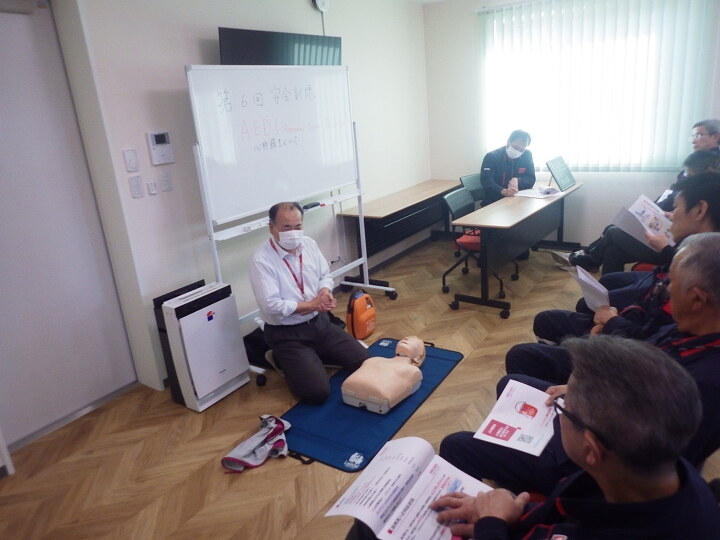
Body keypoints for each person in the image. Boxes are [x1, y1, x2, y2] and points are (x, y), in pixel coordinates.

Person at [346, 335, 720, 539]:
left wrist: (493, 525)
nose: (559, 410)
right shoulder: (671, 476)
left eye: (564, 409)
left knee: (366, 529)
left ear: (591, 448)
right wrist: (513, 512)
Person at [441, 232, 720, 497]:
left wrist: (580, 405)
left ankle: (509, 492)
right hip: (599, 424)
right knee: (512, 383)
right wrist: (581, 389)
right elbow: (640, 368)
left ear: (697, 298)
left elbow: (645, 462)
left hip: (594, 467)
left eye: (672, 283)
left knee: (456, 445)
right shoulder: (693, 331)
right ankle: (513, 467)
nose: (667, 289)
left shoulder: (706, 383)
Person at [533, 171, 720, 344]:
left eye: (676, 208)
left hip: (630, 342)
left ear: (700, 210)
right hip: (638, 313)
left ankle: (589, 262)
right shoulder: (698, 248)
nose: (672, 216)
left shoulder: (704, 265)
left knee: (612, 236)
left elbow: (651, 333)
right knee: (613, 255)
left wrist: (613, 322)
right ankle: (593, 285)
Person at [249, 201, 370, 404]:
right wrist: (312, 305)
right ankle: (280, 357)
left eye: (298, 226)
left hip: (320, 323)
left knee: (365, 362)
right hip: (287, 334)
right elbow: (271, 305)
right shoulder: (261, 260)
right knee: (317, 393)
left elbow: (325, 275)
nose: (293, 233)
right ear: (272, 228)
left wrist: (325, 292)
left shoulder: (309, 244)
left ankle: (311, 357)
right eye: (286, 227)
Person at [562, 138, 720, 274]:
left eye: (690, 176)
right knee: (613, 250)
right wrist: (670, 215)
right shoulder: (695, 193)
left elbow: (689, 247)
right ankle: (608, 292)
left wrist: (666, 241)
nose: (687, 180)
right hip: (666, 235)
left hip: (668, 247)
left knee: (613, 232)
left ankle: (591, 260)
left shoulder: (707, 200)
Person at [480, 129, 535, 206]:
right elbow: (486, 181)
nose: (518, 151)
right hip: (494, 200)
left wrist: (517, 180)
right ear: (508, 142)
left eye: (522, 150)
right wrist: (503, 191)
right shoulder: (492, 157)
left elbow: (531, 178)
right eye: (516, 147)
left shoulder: (527, 155)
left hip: (516, 199)